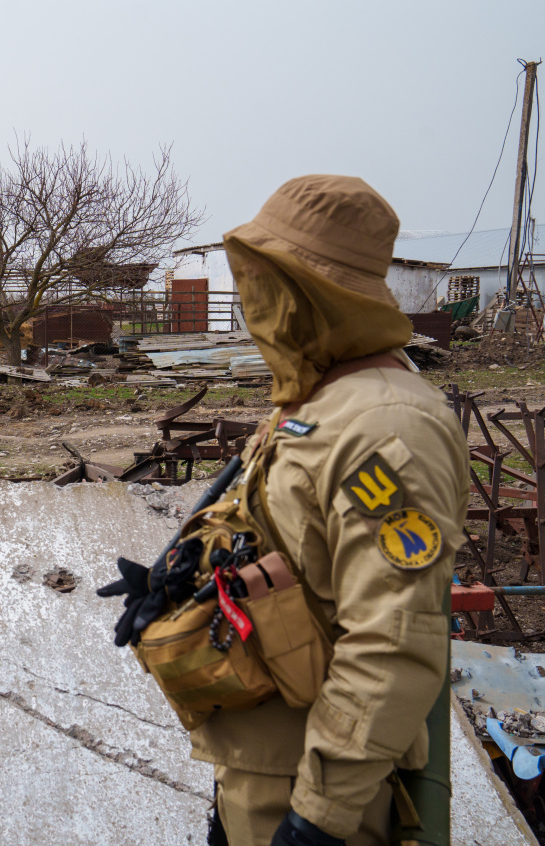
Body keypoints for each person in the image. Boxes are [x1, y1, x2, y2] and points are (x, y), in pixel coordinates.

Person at [192, 175, 469, 846]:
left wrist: (318, 817)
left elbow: (393, 641)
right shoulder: (321, 402)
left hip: (315, 790)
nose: (253, 305)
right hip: (258, 766)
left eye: (268, 284)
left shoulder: (387, 425)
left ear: (314, 293)